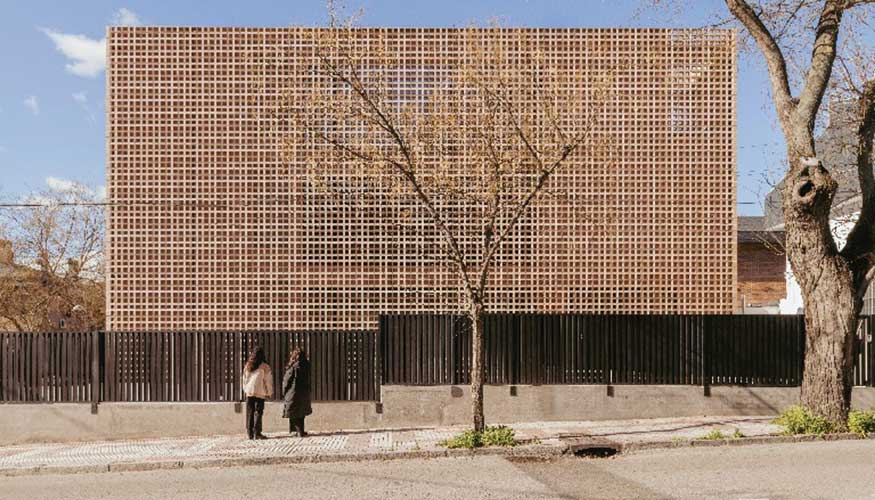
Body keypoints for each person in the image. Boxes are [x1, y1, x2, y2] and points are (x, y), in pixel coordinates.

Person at [242, 347, 273, 440]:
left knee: (249, 412)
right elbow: (268, 381)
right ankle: (257, 432)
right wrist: (269, 392)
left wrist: (245, 389)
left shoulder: (248, 365)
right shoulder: (265, 366)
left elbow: (244, 379)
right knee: (258, 412)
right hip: (260, 392)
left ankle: (250, 433)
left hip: (249, 392)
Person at [282, 347, 312, 437]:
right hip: (304, 392)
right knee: (301, 412)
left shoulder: (293, 367)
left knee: (294, 412)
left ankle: (297, 431)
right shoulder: (306, 366)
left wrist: (284, 391)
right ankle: (300, 430)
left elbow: (287, 381)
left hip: (293, 392)